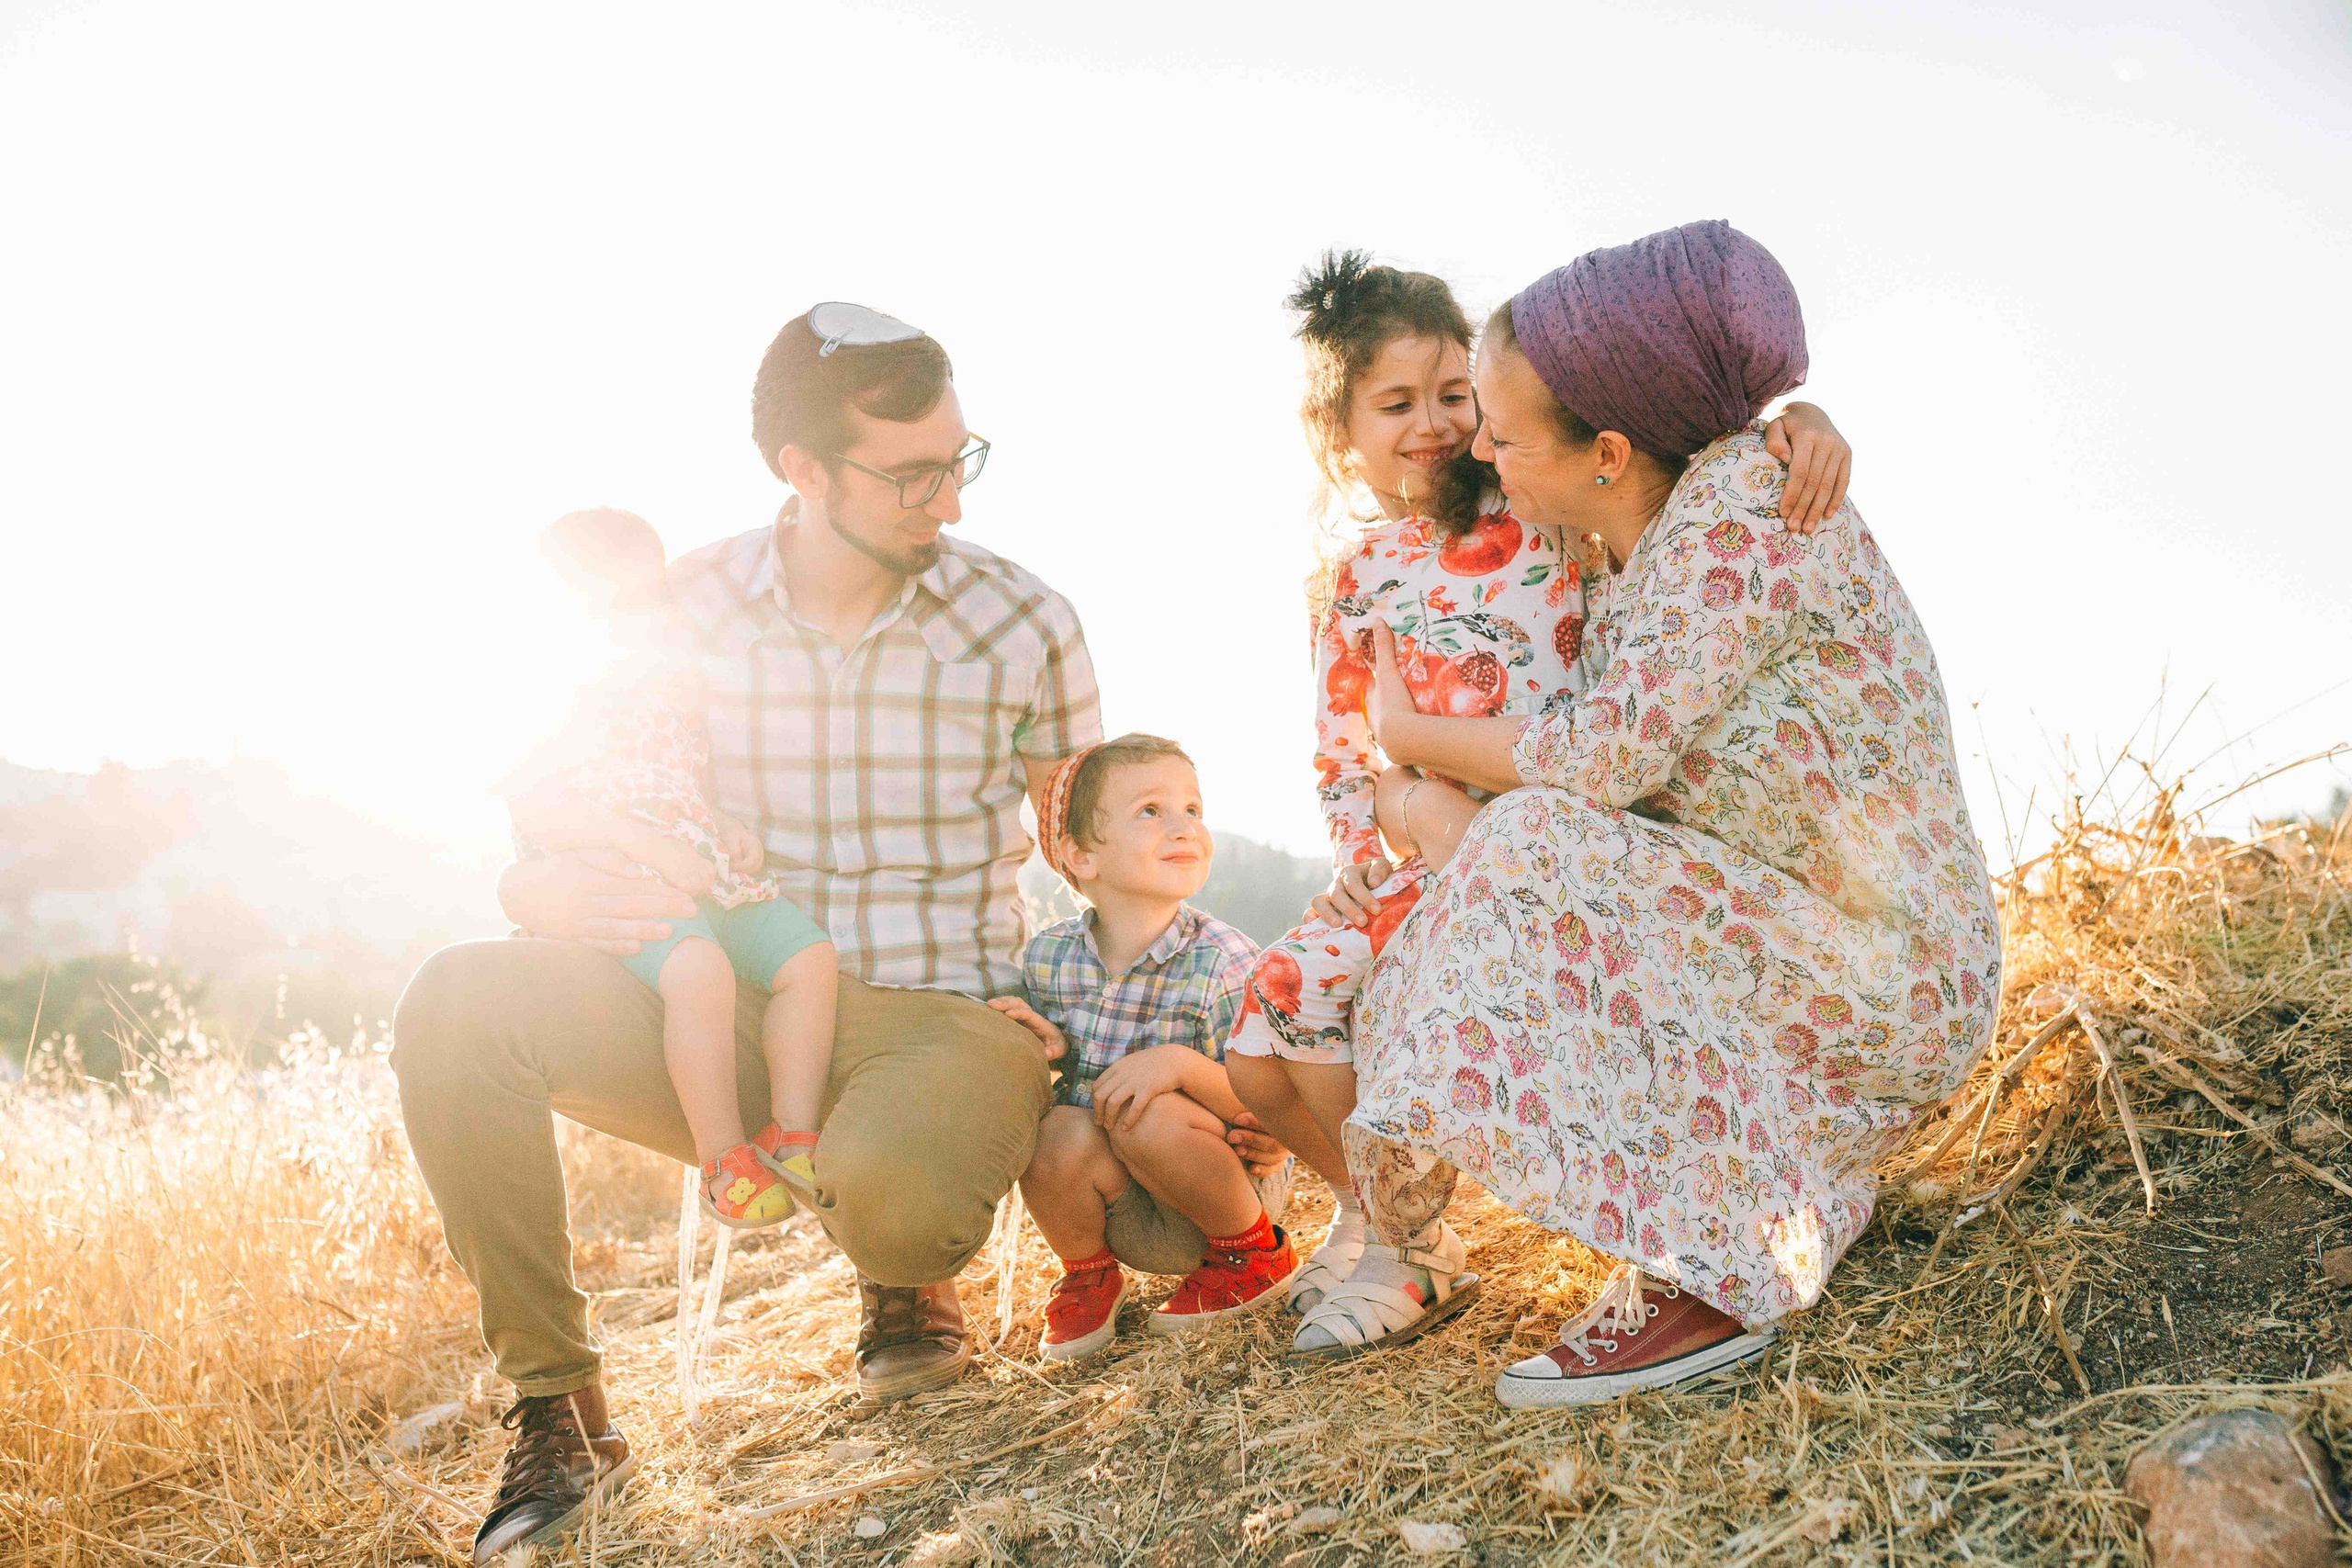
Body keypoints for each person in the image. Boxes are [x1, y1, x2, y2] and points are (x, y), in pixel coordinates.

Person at [391, 302, 1102, 1563]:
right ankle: (558, 1407)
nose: (946, 497)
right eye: (911, 471)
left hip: (943, 1014)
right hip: (712, 996)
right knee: (459, 998)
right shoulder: (678, 607)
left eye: (960, 458)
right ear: (804, 470)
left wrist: (1097, 1028)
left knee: (895, 1198)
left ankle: (902, 1268)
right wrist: (534, 890)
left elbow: (1095, 847)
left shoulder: (1023, 619)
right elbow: (570, 774)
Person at [1291, 222, 2002, 1407]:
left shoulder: (1741, 507)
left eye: (1503, 434)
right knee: (1511, 853)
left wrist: (1409, 745)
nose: (1482, 451)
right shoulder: (1634, 535)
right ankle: (1764, 1200)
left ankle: (1716, 1274)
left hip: (1895, 976)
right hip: (1798, 934)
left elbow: (1602, 754)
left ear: (1609, 451)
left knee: (1527, 842)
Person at [1223, 251, 1856, 1321]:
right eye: (1393, 404)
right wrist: (1357, 860)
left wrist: (1805, 415)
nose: (1429, 424)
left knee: (1339, 997)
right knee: (1263, 1023)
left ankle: (1403, 1249)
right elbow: (1344, 745)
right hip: (1424, 848)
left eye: (1451, 396)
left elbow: (1659, 461)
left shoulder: (1537, 514)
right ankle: (1379, 1215)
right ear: (1340, 435)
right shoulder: (1355, 576)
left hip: (1548, 834)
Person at [511, 507, 837, 1228]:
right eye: (613, 597)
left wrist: (724, 825)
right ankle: (725, 1160)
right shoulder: (550, 695)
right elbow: (538, 808)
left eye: (645, 594)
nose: (635, 611)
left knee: (810, 957)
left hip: (707, 863)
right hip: (625, 879)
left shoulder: (670, 678)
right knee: (699, 971)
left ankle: (792, 1131)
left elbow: (690, 775)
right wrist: (641, 844)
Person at [989, 734, 1294, 1362]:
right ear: (1080, 856)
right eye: (1151, 811)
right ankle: (1089, 1272)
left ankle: (1252, 1258)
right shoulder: (1051, 958)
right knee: (1053, 1129)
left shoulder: (1224, 959)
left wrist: (1178, 1066)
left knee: (1149, 1104)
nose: (1183, 826)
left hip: (1223, 1196)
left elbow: (1266, 1104)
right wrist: (1044, 1046)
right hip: (1122, 1209)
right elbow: (1067, 1087)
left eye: (1193, 808)